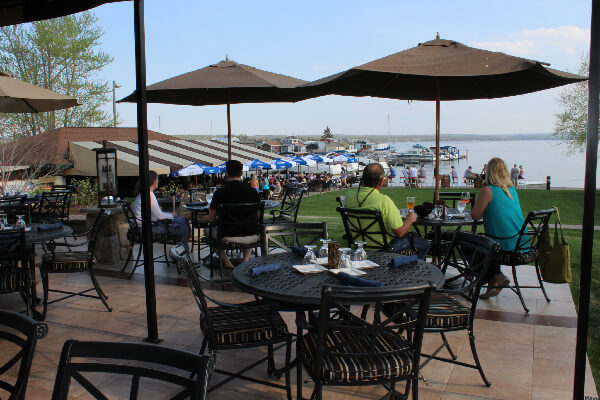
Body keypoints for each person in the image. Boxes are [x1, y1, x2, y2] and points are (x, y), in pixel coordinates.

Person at [344, 163, 429, 259]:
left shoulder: (349, 195)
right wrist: (410, 219)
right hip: (385, 247)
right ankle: (410, 270)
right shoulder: (383, 201)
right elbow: (400, 232)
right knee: (424, 244)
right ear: (381, 181)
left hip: (360, 244)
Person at [471, 157, 525, 298]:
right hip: (521, 242)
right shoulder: (512, 189)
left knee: (466, 243)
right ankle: (494, 278)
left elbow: (475, 215)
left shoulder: (488, 190)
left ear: (489, 172)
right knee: (485, 242)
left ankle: (495, 276)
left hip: (505, 244)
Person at [208, 160, 261, 269]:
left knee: (207, 232)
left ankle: (228, 264)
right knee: (247, 226)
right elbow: (258, 216)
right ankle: (245, 261)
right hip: (251, 235)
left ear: (227, 173)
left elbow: (211, 219)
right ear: (241, 173)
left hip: (227, 235)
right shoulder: (253, 192)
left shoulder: (219, 193)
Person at [132, 170, 190, 253]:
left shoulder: (143, 194)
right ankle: (183, 255)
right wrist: (172, 215)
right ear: (153, 181)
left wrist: (170, 216)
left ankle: (182, 254)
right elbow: (159, 216)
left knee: (183, 222)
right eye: (157, 179)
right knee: (182, 227)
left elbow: (155, 216)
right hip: (147, 229)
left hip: (142, 227)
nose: (158, 181)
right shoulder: (149, 195)